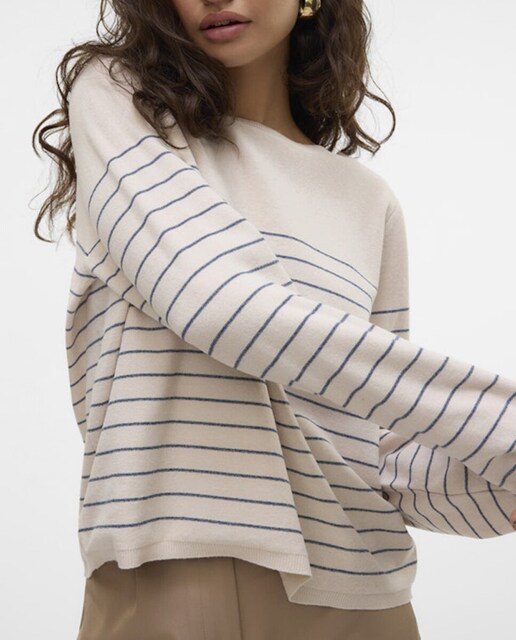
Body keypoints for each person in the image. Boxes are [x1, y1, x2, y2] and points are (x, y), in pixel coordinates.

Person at [31, 1, 516, 638]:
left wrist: (499, 488)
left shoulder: (368, 201)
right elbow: (217, 300)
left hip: (365, 596)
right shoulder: (121, 101)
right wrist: (498, 422)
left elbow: (378, 452)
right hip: (176, 573)